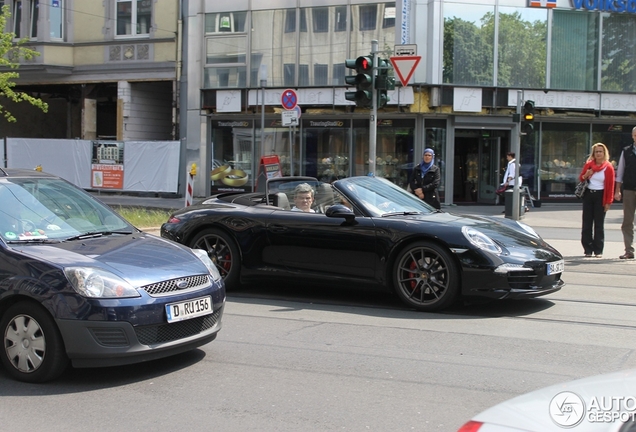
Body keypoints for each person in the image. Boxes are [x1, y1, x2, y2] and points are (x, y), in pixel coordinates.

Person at [579, 143, 615, 258]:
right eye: (596, 152)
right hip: (589, 194)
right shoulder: (589, 165)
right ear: (593, 154)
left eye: (600, 151)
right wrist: (587, 174)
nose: (598, 154)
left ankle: (598, 250)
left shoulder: (608, 167)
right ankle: (587, 249)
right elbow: (581, 178)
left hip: (601, 196)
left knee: (599, 224)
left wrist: (608, 202)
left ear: (604, 153)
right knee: (587, 223)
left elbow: (610, 186)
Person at [614, 127, 636, 259]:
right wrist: (617, 190)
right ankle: (629, 250)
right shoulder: (626, 151)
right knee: (628, 221)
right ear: (633, 136)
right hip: (628, 190)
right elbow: (620, 173)